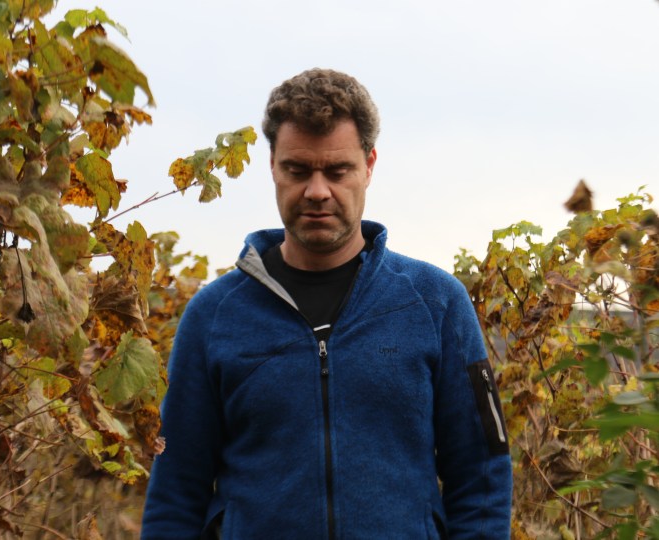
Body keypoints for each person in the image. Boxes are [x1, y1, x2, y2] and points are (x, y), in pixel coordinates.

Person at [141, 68, 513, 539]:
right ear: (272, 164)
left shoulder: (437, 304)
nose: (317, 191)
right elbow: (176, 493)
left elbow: (482, 477)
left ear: (370, 165)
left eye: (337, 171)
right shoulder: (214, 317)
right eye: (298, 170)